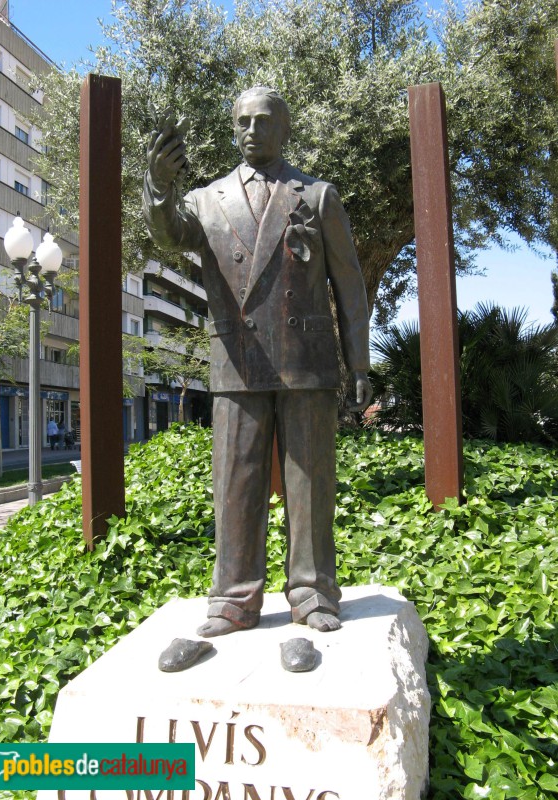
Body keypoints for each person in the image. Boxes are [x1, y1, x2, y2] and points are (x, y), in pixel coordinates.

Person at [143, 87, 372, 638]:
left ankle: (313, 591)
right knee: (236, 483)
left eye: (263, 120)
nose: (251, 129)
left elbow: (349, 284)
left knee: (309, 481)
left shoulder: (317, 196)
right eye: (242, 121)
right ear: (232, 129)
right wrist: (157, 187)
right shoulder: (205, 199)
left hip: (307, 359)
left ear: (284, 128)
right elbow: (171, 236)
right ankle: (233, 598)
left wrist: (358, 363)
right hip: (237, 360)